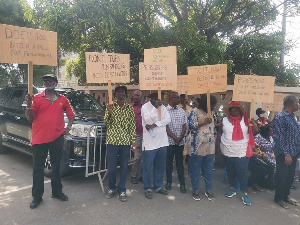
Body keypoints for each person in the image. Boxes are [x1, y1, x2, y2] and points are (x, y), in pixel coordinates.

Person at [25, 74, 75, 209]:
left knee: (56, 166)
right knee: (38, 168)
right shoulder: (36, 99)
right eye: (45, 80)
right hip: (39, 139)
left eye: (51, 80)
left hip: (57, 138)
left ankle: (57, 192)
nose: (48, 82)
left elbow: (71, 115)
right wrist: (29, 105)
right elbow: (30, 118)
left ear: (56, 83)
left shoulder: (63, 99)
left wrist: (67, 128)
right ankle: (37, 196)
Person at [216, 102, 257, 206]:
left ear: (240, 111)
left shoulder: (246, 120)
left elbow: (255, 132)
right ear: (229, 111)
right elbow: (220, 133)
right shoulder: (224, 120)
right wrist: (218, 147)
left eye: (237, 109)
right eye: (233, 109)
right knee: (231, 170)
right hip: (227, 149)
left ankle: (245, 193)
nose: (235, 111)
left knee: (242, 172)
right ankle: (233, 188)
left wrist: (254, 125)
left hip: (242, 150)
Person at [104, 85, 136, 202]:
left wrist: (133, 141)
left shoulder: (129, 108)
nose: (120, 93)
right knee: (112, 168)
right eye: (118, 92)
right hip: (112, 142)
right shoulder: (111, 106)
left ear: (125, 94)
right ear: (115, 94)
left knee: (123, 167)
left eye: (122, 92)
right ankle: (111, 188)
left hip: (125, 142)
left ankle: (122, 189)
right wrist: (110, 112)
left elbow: (132, 125)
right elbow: (106, 122)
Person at [185, 95, 217, 201]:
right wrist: (204, 122)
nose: (213, 107)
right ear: (206, 104)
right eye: (212, 105)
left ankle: (209, 189)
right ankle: (195, 189)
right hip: (197, 145)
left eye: (214, 105)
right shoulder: (194, 111)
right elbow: (190, 126)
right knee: (196, 168)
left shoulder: (212, 113)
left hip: (210, 146)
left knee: (208, 169)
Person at [141, 92, 171, 199]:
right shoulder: (145, 107)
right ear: (151, 98)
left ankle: (158, 186)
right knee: (148, 167)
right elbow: (148, 120)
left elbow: (168, 119)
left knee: (160, 166)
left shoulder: (163, 107)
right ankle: (148, 188)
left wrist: (156, 124)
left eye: (160, 97)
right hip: (149, 143)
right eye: (156, 97)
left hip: (162, 142)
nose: (159, 99)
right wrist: (155, 108)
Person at [272, 95, 300, 209]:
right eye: (298, 102)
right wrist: (286, 154)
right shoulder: (280, 116)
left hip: (294, 152)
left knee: (290, 177)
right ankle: (278, 198)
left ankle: (285, 196)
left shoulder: (292, 117)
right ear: (291, 103)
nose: (299, 105)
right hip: (284, 153)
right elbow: (279, 137)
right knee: (282, 176)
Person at [165, 92, 187, 193]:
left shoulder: (181, 111)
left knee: (179, 163)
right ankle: (168, 182)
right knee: (168, 163)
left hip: (180, 142)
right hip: (169, 142)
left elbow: (184, 125)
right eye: (177, 98)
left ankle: (182, 184)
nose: (179, 99)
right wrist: (174, 137)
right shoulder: (164, 110)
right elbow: (165, 127)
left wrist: (181, 137)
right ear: (171, 98)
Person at [251, 125, 276, 191]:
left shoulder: (270, 138)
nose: (271, 132)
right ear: (265, 131)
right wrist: (262, 154)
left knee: (280, 163)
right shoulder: (258, 138)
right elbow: (255, 149)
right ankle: (270, 183)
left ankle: (275, 182)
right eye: (269, 131)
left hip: (272, 155)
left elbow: (274, 146)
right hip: (261, 156)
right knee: (272, 165)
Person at [130, 90, 144, 184]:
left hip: (147, 135)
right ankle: (134, 176)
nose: (136, 97)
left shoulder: (145, 107)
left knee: (145, 157)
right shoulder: (130, 107)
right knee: (137, 157)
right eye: (134, 95)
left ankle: (143, 176)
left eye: (138, 95)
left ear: (141, 96)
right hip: (136, 135)